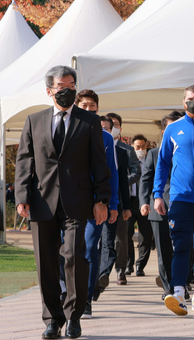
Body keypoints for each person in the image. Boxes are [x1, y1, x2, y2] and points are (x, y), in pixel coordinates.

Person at [15, 66, 111, 339]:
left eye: (71, 85)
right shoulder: (34, 121)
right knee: (46, 262)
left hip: (77, 202)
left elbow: (99, 163)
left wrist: (102, 199)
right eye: (61, 86)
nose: (67, 90)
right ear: (49, 91)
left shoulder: (89, 121)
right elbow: (25, 160)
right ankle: (52, 319)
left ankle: (74, 315)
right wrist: (22, 196)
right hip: (41, 201)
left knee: (73, 257)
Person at [154, 85, 194, 316]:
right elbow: (162, 164)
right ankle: (178, 291)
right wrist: (157, 194)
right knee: (180, 246)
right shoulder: (172, 129)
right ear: (183, 102)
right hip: (180, 198)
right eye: (190, 99)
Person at [75, 90, 119, 319]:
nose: (88, 109)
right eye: (84, 105)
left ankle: (86, 298)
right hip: (71, 202)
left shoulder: (106, 138)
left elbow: (112, 172)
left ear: (98, 108)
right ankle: (68, 293)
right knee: (69, 250)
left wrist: (112, 203)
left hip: (97, 204)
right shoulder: (66, 131)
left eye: (92, 105)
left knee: (90, 248)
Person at [140, 113, 181, 299]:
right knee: (164, 251)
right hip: (159, 207)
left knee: (184, 248)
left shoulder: (189, 150)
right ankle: (168, 287)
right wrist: (144, 203)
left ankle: (183, 283)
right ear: (164, 131)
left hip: (184, 205)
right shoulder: (154, 154)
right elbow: (146, 179)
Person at [96, 116, 132, 294]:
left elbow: (122, 182)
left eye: (107, 128)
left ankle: (106, 273)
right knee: (94, 243)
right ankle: (95, 278)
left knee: (110, 242)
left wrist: (124, 207)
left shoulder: (121, 153)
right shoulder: (87, 146)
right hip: (90, 204)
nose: (104, 131)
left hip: (112, 203)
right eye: (100, 127)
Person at [106, 112, 142, 275]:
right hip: (99, 198)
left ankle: (121, 269)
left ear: (120, 128)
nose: (112, 127)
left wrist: (119, 183)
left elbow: (136, 172)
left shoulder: (126, 150)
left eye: (116, 125)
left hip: (120, 198)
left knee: (122, 236)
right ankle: (102, 270)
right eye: (109, 124)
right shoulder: (95, 145)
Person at [128, 134, 153, 276]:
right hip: (130, 201)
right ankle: (128, 264)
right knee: (126, 233)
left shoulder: (150, 160)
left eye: (143, 146)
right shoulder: (128, 160)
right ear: (133, 146)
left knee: (145, 235)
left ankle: (140, 265)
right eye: (138, 146)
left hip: (146, 201)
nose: (141, 149)